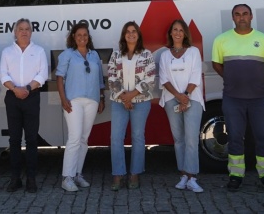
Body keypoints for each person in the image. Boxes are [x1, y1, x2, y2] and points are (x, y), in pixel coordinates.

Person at [212, 4, 264, 193]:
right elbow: (217, 64)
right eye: (237, 14)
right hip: (233, 98)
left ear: (251, 16)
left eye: (245, 14)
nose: (241, 17)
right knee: (234, 137)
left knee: (263, 136)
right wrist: (231, 80)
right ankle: (236, 175)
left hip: (259, 98)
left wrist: (259, 82)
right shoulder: (221, 40)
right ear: (233, 18)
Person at [0, 18, 48, 193]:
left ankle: (31, 179)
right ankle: (15, 179)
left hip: (32, 97)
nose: (24, 32)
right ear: (15, 31)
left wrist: (27, 88)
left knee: (32, 139)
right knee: (14, 140)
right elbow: (3, 75)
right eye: (21, 29)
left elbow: (42, 74)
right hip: (12, 98)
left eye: (27, 29)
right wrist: (16, 89)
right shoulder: (7, 52)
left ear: (31, 32)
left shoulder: (39, 51)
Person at [56, 22, 105, 192]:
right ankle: (66, 177)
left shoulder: (94, 55)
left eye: (85, 35)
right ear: (73, 37)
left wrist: (101, 98)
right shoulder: (67, 55)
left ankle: (77, 174)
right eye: (79, 35)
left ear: (88, 37)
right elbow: (60, 78)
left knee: (84, 139)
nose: (82, 38)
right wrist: (63, 99)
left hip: (92, 100)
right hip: (73, 101)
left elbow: (100, 80)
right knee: (75, 137)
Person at [107, 21, 156, 191]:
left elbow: (149, 79)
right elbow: (112, 77)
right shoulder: (115, 55)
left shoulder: (147, 55)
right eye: (127, 31)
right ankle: (118, 174)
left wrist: (131, 95)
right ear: (124, 35)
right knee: (116, 138)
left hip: (141, 102)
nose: (131, 34)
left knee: (137, 137)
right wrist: (124, 97)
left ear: (138, 34)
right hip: (119, 102)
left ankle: (135, 173)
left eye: (134, 31)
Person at [158, 19, 205, 193]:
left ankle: (192, 177)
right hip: (172, 99)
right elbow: (164, 79)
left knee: (191, 139)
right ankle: (183, 174)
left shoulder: (193, 52)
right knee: (178, 139)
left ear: (185, 33)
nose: (177, 33)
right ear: (170, 33)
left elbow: (195, 76)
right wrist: (178, 96)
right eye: (174, 30)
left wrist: (186, 96)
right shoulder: (164, 55)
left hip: (192, 98)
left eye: (181, 30)